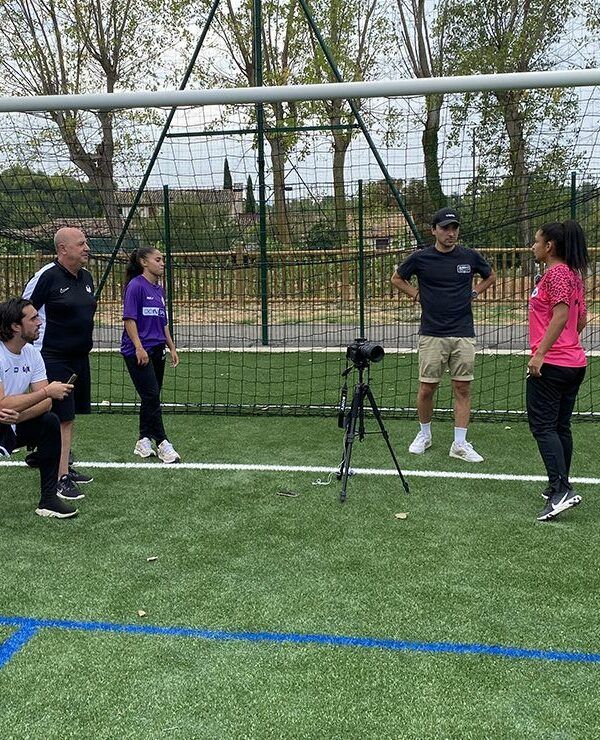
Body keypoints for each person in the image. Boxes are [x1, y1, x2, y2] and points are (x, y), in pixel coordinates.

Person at [391, 208, 496, 462]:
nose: (451, 233)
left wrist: (475, 292)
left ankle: (459, 444)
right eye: (446, 228)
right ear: (434, 231)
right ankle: (424, 435)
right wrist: (416, 294)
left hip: (463, 333)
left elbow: (491, 275)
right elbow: (396, 278)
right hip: (432, 334)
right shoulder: (421, 258)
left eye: (454, 228)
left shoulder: (469, 257)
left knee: (462, 387)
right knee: (427, 388)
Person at [23, 226, 97, 500]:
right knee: (61, 417)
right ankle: (58, 477)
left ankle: (58, 461)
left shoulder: (86, 277)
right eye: (81, 243)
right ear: (63, 249)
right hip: (53, 356)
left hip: (79, 357)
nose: (87, 247)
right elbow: (23, 311)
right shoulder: (47, 277)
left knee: (69, 416)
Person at [527, 221, 589, 522]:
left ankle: (561, 489)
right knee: (560, 426)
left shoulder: (557, 274)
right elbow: (581, 321)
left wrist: (540, 353)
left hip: (553, 364)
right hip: (574, 363)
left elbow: (563, 314)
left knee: (543, 426)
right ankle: (558, 484)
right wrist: (567, 344)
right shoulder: (574, 276)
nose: (533, 246)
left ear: (549, 246)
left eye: (537, 241)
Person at [0, 298, 79, 518]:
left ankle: (48, 500)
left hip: (10, 421)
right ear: (16, 326)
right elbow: (4, 403)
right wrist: (45, 393)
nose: (40, 321)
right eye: (33, 318)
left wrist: (18, 416)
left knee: (50, 422)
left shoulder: (32, 353)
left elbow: (46, 404)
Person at [121, 246, 181, 463]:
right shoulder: (135, 287)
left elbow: (162, 322)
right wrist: (138, 347)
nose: (162, 263)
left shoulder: (159, 290)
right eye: (158, 259)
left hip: (157, 350)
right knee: (151, 395)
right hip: (139, 352)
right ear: (144, 263)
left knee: (151, 397)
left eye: (163, 259)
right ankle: (163, 442)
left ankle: (143, 440)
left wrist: (171, 347)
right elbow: (129, 319)